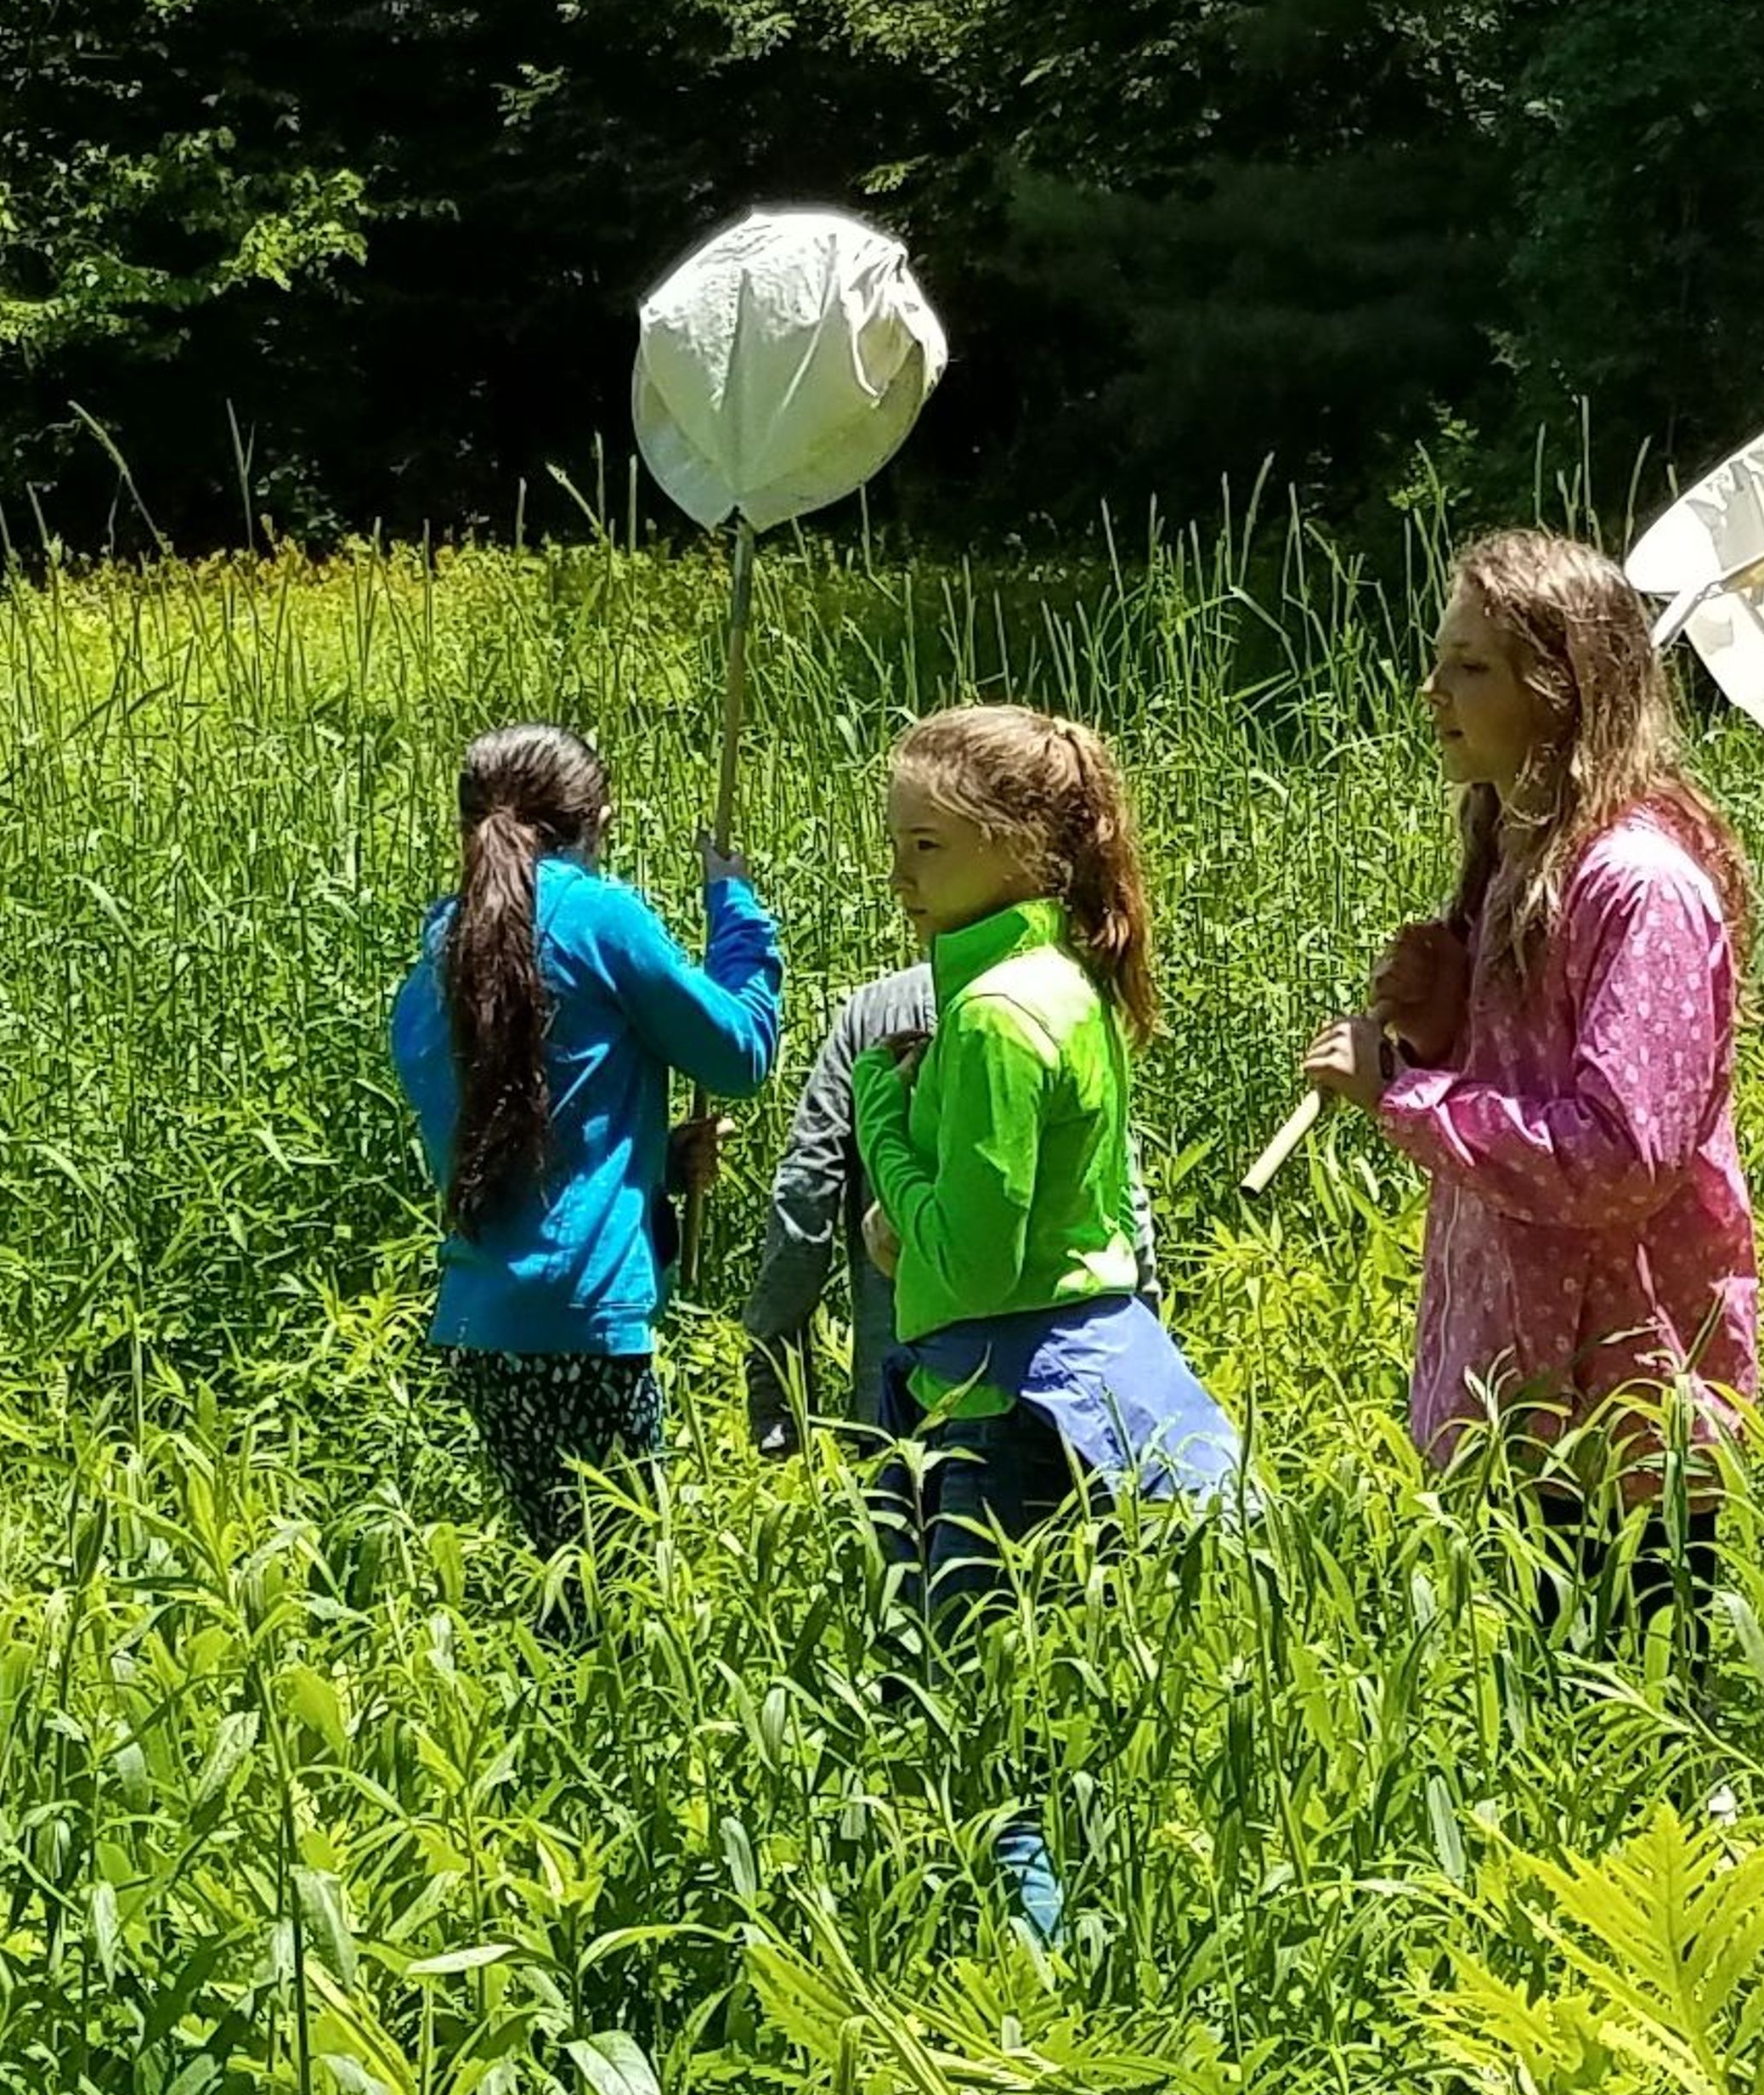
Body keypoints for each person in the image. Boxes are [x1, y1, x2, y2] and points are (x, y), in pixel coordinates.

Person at [1300, 529, 1755, 1649]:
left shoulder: (1637, 882)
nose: (1431, 690)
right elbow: (1542, 1073)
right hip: (1529, 1377)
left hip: (1626, 1387)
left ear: (1557, 687)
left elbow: (1617, 1153)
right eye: (1440, 658)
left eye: (1470, 665)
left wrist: (1403, 1089)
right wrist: (1453, 1013)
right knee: (1536, 1723)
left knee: (1643, 1727)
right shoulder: (1521, 851)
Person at [853, 703, 1234, 1945]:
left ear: (1025, 851)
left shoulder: (996, 1013)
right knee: (1074, 1683)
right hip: (1094, 1375)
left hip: (1002, 1397)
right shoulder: (1061, 979)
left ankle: (1033, 1957)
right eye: (898, 843)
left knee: (985, 1694)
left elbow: (976, 1255)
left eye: (927, 847)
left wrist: (887, 1143)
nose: (899, 876)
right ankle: (1107, 1928)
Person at [391, 722, 783, 1557]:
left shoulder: (439, 948)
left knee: (564, 1578)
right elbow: (740, 1051)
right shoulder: (600, 920)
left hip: (479, 1328)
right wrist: (738, 911)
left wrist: (654, 1165)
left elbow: (505, 1132)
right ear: (597, 820)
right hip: (584, 1327)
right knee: (623, 1593)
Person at [741, 960, 1166, 1457]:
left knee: (911, 1521)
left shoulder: (871, 1018)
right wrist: (1147, 1358)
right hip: (1056, 1388)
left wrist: (776, 1409)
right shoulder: (1065, 1000)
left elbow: (804, 1197)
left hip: (899, 1394)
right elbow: (1121, 1194)